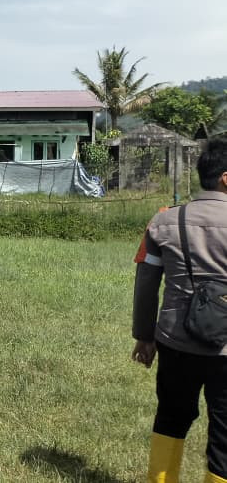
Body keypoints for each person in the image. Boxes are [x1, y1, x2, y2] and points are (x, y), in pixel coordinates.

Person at [133, 137, 227, 483]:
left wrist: (145, 336)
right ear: (226, 179)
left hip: (175, 341)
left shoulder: (163, 222)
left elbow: (145, 283)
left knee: (171, 418)